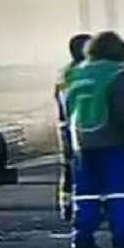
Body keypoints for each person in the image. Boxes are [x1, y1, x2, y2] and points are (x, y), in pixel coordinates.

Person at [63, 30, 124, 248]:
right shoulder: (117, 72)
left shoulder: (75, 73)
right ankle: (123, 239)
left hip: (80, 141)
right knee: (119, 192)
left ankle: (82, 239)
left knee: (85, 193)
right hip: (110, 140)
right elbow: (121, 108)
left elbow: (67, 107)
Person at [54, 32, 91, 222]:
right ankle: (79, 206)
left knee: (69, 167)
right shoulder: (81, 72)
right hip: (79, 126)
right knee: (81, 166)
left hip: (66, 126)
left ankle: (66, 205)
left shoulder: (64, 73)